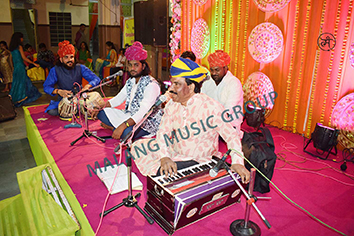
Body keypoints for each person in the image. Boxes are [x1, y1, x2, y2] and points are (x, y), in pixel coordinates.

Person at [131, 58, 250, 184]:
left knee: (164, 173)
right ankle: (168, 168)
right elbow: (163, 132)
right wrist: (165, 156)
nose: (171, 89)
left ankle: (173, 172)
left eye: (176, 84)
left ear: (191, 86)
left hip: (200, 160)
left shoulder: (212, 108)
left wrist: (238, 162)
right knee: (137, 146)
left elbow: (232, 136)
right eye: (172, 83)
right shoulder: (172, 104)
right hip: (175, 151)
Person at [92, 41, 163, 140]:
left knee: (126, 133)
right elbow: (118, 99)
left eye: (136, 65)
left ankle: (116, 128)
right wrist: (99, 107)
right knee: (101, 112)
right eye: (130, 65)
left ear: (143, 66)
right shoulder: (131, 81)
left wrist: (123, 126)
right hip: (129, 115)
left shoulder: (152, 85)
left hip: (146, 122)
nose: (132, 68)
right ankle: (116, 128)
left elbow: (143, 112)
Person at [43, 40, 100, 117]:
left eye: (71, 57)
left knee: (94, 105)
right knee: (52, 111)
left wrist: (88, 85)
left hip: (80, 99)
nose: (69, 60)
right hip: (65, 99)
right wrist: (58, 91)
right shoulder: (55, 70)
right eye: (66, 57)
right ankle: (76, 110)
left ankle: (76, 110)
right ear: (61, 59)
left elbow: (96, 79)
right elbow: (46, 87)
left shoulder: (80, 67)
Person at [202, 50, 243, 132]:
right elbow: (202, 103)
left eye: (217, 70)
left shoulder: (234, 83)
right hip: (210, 124)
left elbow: (228, 111)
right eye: (212, 70)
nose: (213, 73)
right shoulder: (207, 82)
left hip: (230, 126)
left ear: (225, 68)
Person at [8, 32, 41, 107]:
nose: (22, 39)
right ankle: (21, 97)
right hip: (20, 66)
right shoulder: (19, 47)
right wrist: (34, 63)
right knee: (22, 82)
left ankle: (13, 96)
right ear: (19, 38)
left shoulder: (11, 48)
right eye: (22, 37)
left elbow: (10, 59)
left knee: (16, 82)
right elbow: (24, 58)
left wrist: (12, 67)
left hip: (16, 67)